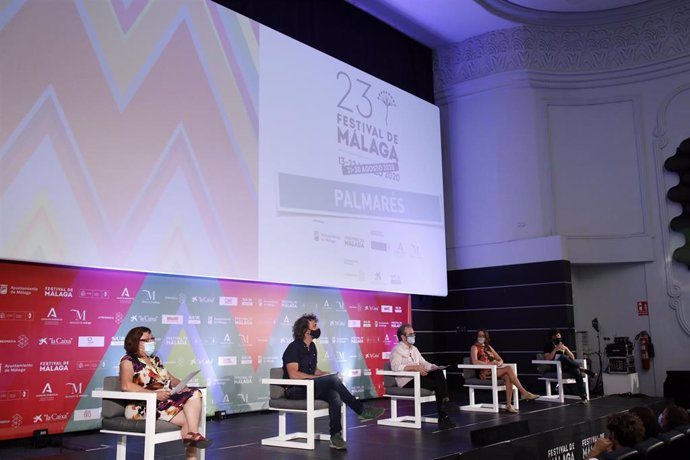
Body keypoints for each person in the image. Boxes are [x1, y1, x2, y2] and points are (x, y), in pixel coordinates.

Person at [282, 313, 385, 450]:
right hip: (296, 390)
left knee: (334, 395)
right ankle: (361, 410)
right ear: (306, 330)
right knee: (332, 381)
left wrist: (325, 374)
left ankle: (335, 435)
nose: (317, 328)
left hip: (310, 387)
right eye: (314, 326)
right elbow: (293, 374)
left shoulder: (311, 346)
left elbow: (313, 370)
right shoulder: (293, 347)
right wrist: (321, 378)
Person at [119, 327, 211, 459]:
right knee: (191, 421)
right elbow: (126, 385)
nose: (150, 342)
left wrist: (180, 384)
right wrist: (153, 395)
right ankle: (193, 443)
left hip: (164, 402)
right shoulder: (128, 361)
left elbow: (171, 379)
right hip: (142, 406)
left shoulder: (155, 360)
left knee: (194, 394)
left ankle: (192, 436)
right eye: (146, 340)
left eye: (152, 339)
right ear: (134, 342)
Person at [390, 323, 459, 429]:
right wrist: (414, 367)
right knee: (437, 385)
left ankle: (445, 402)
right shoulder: (397, 350)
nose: (413, 336)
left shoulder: (414, 349)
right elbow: (395, 367)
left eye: (414, 334)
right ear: (403, 337)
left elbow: (423, 362)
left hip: (418, 377)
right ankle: (443, 415)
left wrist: (433, 366)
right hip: (407, 380)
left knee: (438, 372)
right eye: (411, 334)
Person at [471, 329, 539, 413]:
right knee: (509, 369)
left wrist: (498, 363)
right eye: (479, 336)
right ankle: (524, 393)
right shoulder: (474, 347)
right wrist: (490, 363)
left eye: (483, 336)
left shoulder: (488, 347)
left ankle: (509, 405)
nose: (481, 338)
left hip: (494, 370)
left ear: (486, 337)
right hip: (484, 373)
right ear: (476, 337)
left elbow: (500, 359)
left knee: (507, 377)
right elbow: (475, 361)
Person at [543, 329, 596, 405]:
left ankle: (584, 398)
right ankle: (581, 368)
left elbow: (572, 357)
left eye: (559, 335)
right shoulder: (548, 345)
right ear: (552, 337)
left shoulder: (562, 344)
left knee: (577, 372)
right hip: (556, 367)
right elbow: (548, 358)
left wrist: (566, 349)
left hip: (566, 366)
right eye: (556, 336)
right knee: (562, 357)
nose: (558, 337)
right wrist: (555, 349)